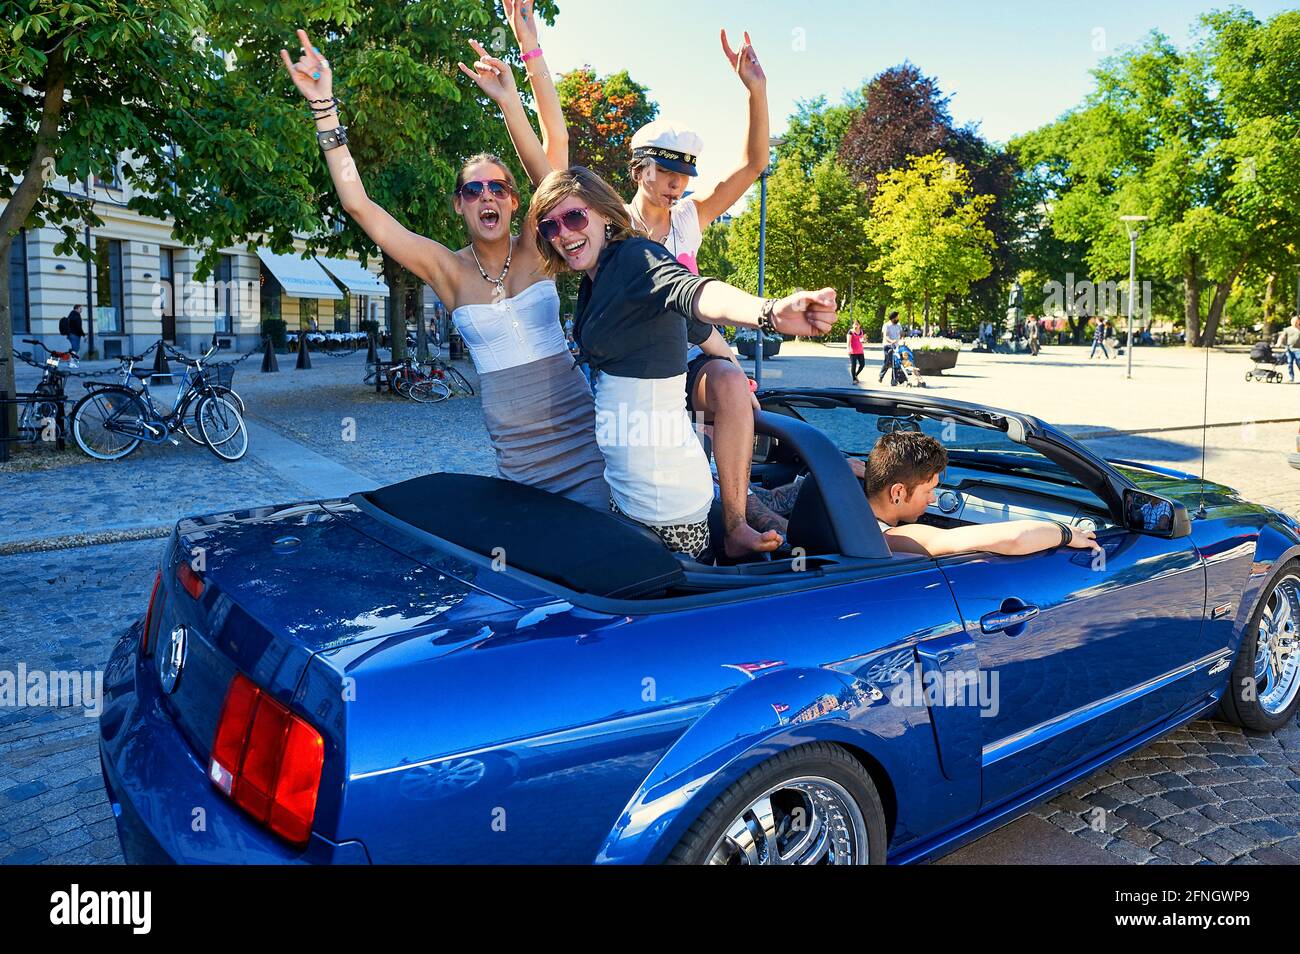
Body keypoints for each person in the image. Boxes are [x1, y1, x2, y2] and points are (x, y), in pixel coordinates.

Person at [280, 28, 608, 509]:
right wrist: (324, 108)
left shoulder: (541, 244)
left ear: (516, 201)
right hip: (520, 466)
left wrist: (523, 66)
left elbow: (554, 146)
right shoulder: (446, 270)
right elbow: (358, 205)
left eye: (497, 188)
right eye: (473, 191)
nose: (487, 197)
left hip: (585, 446)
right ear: (459, 205)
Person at [514, 10, 775, 558]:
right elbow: (553, 166)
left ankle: (736, 519)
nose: (678, 183)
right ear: (639, 169)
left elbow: (754, 166)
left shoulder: (689, 218)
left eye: (686, 173)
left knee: (731, 386)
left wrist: (756, 91)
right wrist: (533, 54)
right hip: (637, 364)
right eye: (667, 171)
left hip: (686, 354)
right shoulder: (610, 233)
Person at [528, 165, 835, 559]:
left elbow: (694, 291)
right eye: (551, 228)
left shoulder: (636, 258)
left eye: (574, 216)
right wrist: (738, 378)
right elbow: (698, 330)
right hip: (630, 494)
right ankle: (740, 529)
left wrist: (768, 312)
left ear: (604, 213)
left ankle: (742, 530)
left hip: (665, 506)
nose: (565, 234)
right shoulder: (596, 279)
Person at [747, 432, 1099, 557]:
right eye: (929, 490)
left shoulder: (829, 509)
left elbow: (756, 499)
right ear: (898, 491)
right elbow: (1013, 536)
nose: (933, 500)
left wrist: (839, 468)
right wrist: (1067, 532)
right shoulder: (894, 538)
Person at [878, 311, 902, 383]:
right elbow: (886, 336)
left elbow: (901, 333)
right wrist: (891, 341)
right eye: (897, 317)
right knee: (888, 362)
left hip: (896, 346)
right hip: (888, 346)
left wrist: (902, 338)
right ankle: (881, 376)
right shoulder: (887, 325)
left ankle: (893, 379)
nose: (898, 318)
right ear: (893, 317)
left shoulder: (899, 325)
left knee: (896, 362)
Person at [1275, 315, 1300, 383]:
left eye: (1296, 321)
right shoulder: (1287, 329)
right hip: (1289, 349)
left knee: (1299, 363)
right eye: (1293, 321)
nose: (1294, 322)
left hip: (1298, 349)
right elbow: (1282, 337)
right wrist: (1278, 343)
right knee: (1289, 363)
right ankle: (1291, 378)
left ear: (1298, 321)